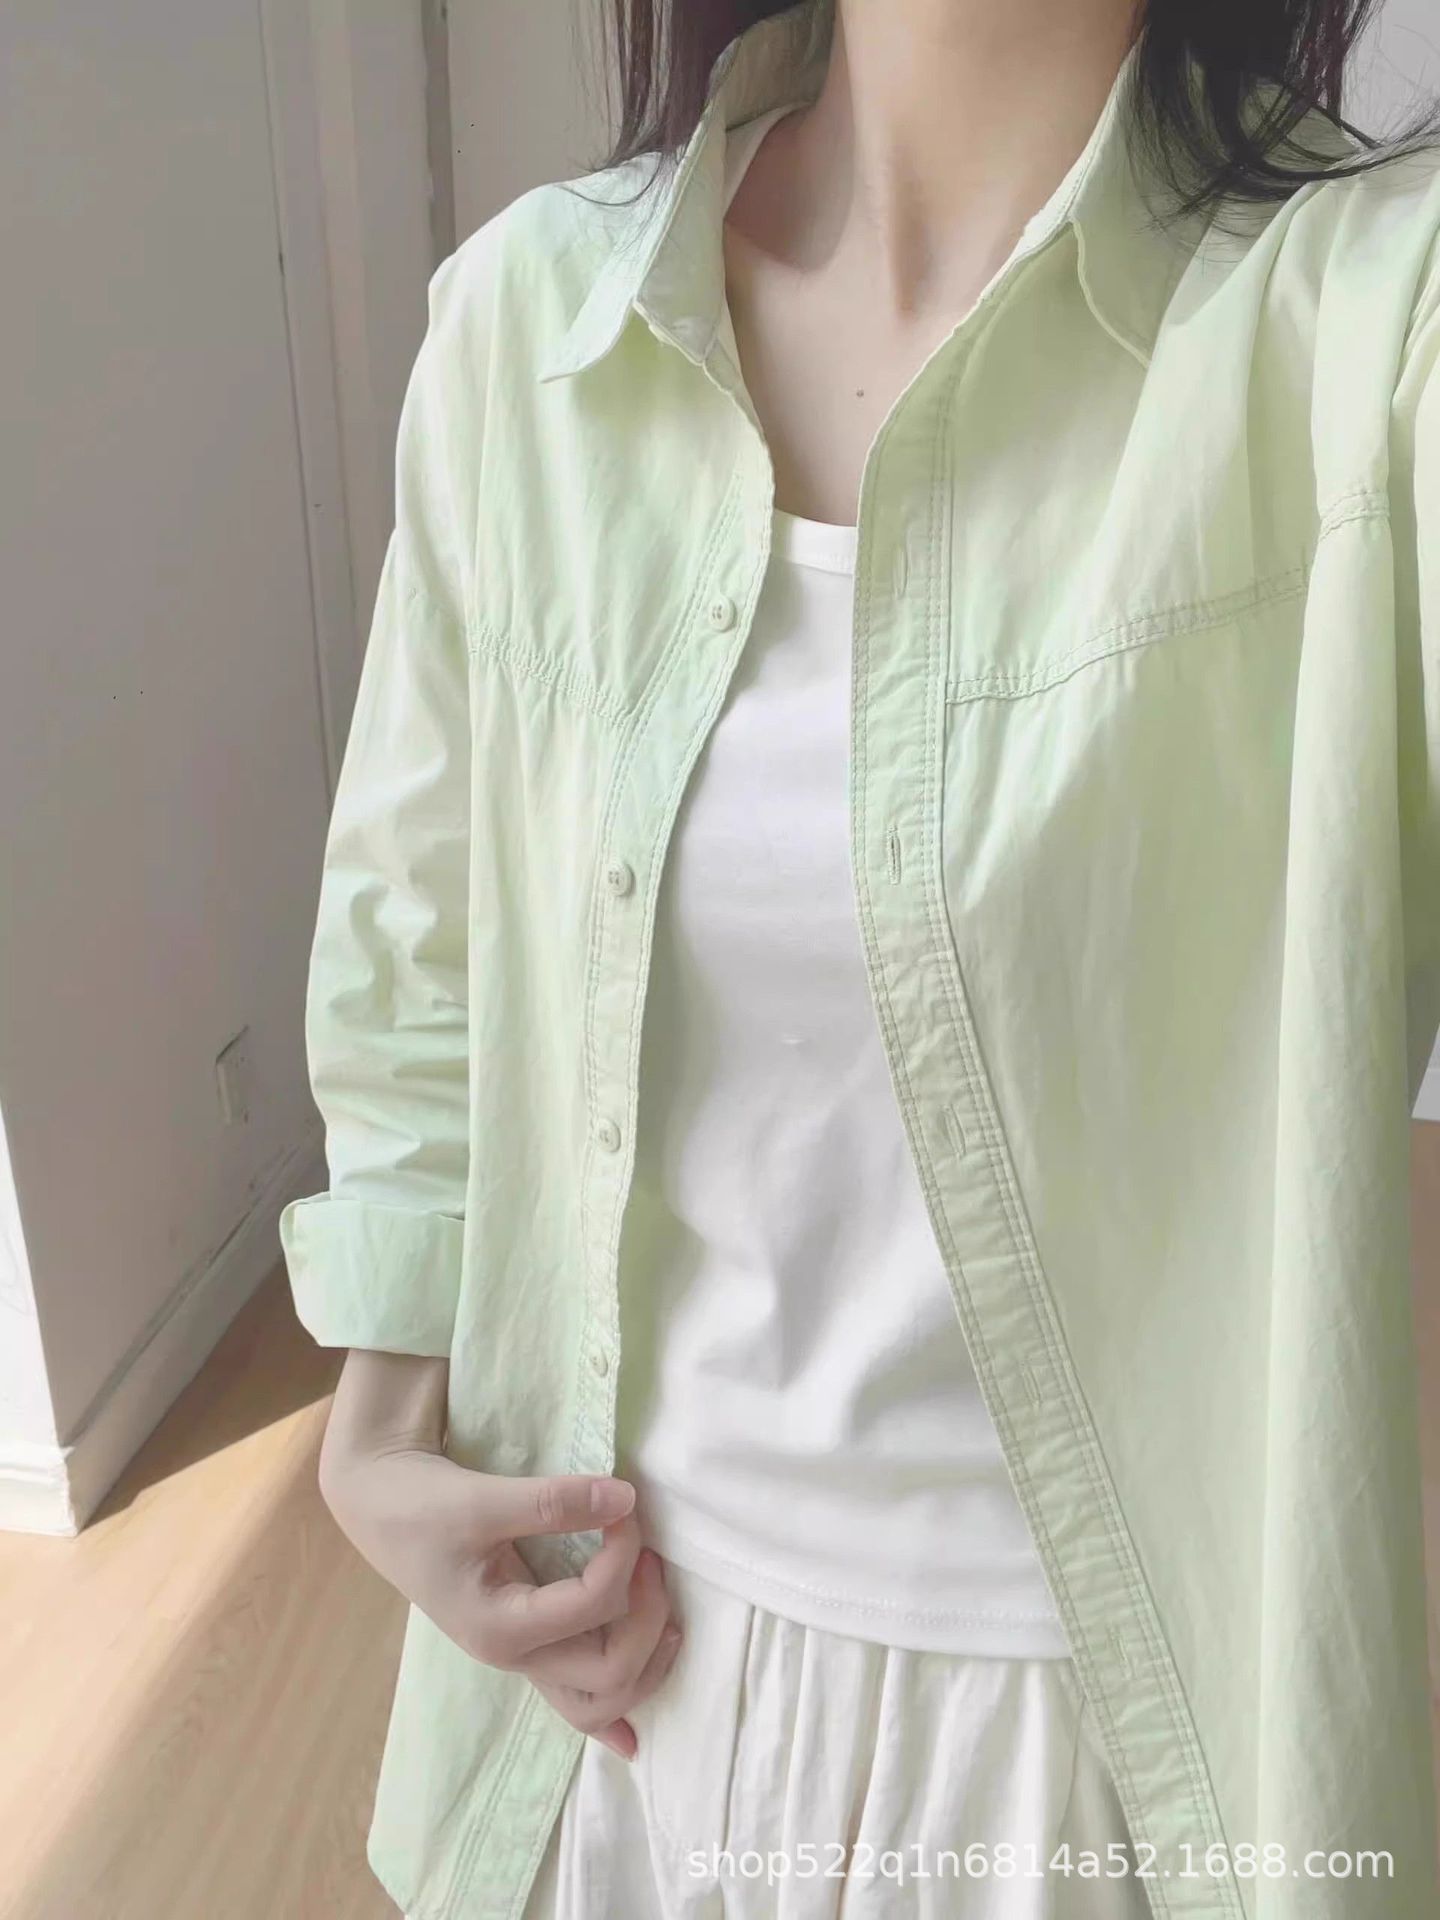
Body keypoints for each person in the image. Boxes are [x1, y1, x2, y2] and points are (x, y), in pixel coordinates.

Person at [278, 0, 1440, 1914]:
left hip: (1107, 1756)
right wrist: (382, 1425)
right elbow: (420, 960)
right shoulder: (529, 328)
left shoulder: (1373, 328)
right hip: (612, 1706)